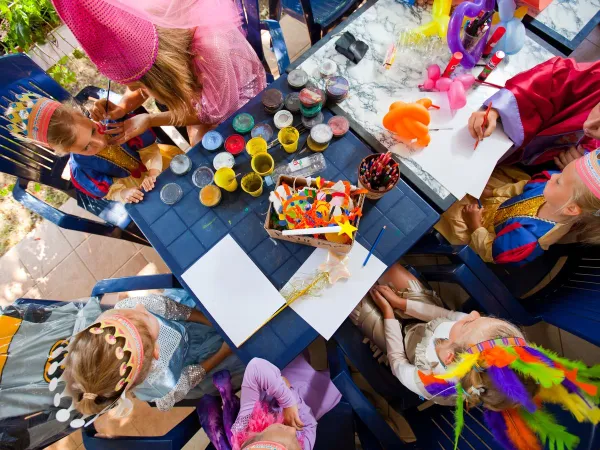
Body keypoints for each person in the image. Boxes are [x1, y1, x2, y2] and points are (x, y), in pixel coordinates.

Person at [351, 264, 600, 450]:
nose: (471, 313)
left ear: (449, 358)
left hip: (402, 346)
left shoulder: (430, 382)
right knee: (391, 270)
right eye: (482, 318)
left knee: (353, 300)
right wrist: (402, 304)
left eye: (470, 323)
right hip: (427, 325)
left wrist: (389, 315)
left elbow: (397, 363)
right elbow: (444, 315)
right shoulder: (471, 330)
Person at [51, 0, 267, 145]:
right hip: (198, 100)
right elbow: (147, 84)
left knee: (208, 146)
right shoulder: (151, 49)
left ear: (160, 72)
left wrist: (150, 119)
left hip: (238, 100)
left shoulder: (211, 48)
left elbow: (216, 112)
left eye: (141, 85)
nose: (139, 90)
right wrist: (124, 106)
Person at [60, 290, 246, 420]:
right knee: (245, 351)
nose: (140, 306)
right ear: (156, 352)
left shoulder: (127, 310)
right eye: (146, 316)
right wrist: (223, 352)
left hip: (188, 322)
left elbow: (174, 309)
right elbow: (191, 376)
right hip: (202, 359)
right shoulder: (162, 385)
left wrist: (211, 321)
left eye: (122, 312)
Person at [4, 92, 181, 203]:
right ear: (66, 151)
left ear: (84, 115)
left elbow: (148, 149)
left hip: (160, 163)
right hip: (137, 189)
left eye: (93, 130)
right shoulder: (81, 168)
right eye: (86, 147)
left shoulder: (115, 123)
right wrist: (124, 193)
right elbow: (109, 191)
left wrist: (153, 171)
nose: (101, 142)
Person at [434, 150, 600, 265]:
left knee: (446, 201)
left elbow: (490, 251)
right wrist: (493, 192)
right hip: (499, 203)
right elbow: (521, 188)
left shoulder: (527, 239)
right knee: (472, 173)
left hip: (484, 229)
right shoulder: (555, 193)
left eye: (559, 180)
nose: (554, 175)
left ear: (570, 209)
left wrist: (474, 224)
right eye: (561, 173)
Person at [468, 57, 600, 169]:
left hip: (545, 176)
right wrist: (500, 107)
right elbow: (556, 78)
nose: (589, 126)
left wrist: (585, 179)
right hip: (511, 146)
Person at [197, 355, 342, 450]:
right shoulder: (302, 444)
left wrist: (287, 401)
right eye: (297, 442)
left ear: (257, 434)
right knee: (335, 382)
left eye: (281, 429)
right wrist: (292, 395)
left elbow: (255, 367)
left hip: (278, 379)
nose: (292, 430)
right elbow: (310, 425)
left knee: (289, 350)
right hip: (308, 397)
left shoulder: (245, 425)